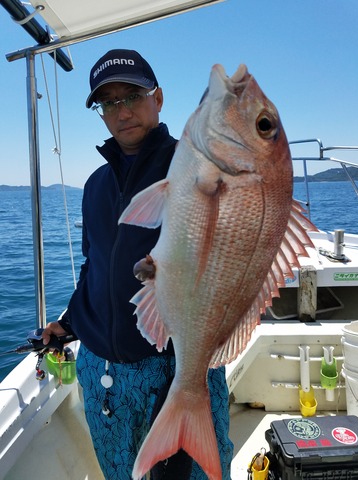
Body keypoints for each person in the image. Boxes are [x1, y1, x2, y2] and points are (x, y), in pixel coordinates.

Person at [42, 49, 233, 480]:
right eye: (109, 102)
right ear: (101, 113)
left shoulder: (197, 168)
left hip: (176, 364)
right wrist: (69, 323)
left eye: (132, 95)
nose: (122, 110)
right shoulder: (95, 185)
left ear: (158, 98)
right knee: (119, 473)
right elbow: (96, 269)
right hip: (101, 369)